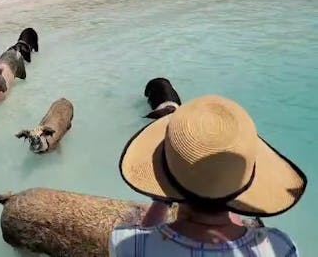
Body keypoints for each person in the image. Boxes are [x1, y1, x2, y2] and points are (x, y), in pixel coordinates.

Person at [110, 94, 307, 256]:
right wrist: (226, 187)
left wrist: (163, 197)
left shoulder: (127, 245)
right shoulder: (280, 248)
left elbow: (147, 238)